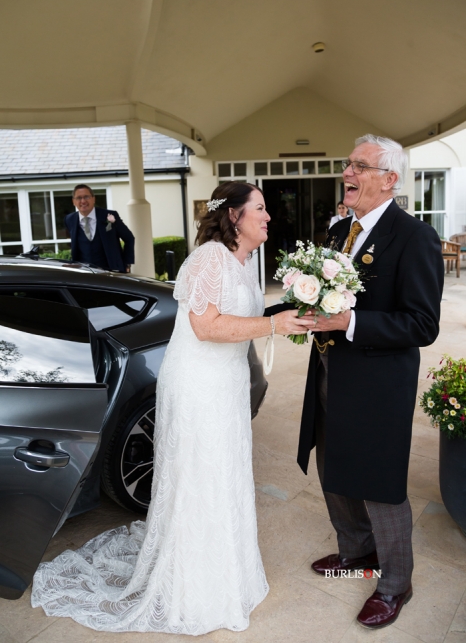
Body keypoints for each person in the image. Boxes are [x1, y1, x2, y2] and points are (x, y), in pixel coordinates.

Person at [31, 182, 309, 635]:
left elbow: (244, 315)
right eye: (260, 208)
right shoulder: (209, 258)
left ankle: (228, 569)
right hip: (199, 385)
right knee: (202, 473)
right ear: (234, 216)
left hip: (227, 382)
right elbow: (205, 327)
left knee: (225, 472)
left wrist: (293, 310)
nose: (268, 216)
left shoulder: (245, 260)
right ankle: (195, 586)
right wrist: (273, 324)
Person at [301, 135, 444, 629]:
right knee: (332, 465)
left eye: (360, 166)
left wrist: (350, 322)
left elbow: (422, 324)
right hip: (329, 373)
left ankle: (396, 583)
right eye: (348, 164)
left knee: (380, 484)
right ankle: (357, 551)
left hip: (378, 385)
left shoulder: (414, 236)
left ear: (389, 180)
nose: (348, 173)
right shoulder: (340, 229)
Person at [65, 184, 135, 272]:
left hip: (111, 270)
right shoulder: (69, 219)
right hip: (84, 272)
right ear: (73, 201)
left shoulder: (110, 215)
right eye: (79, 198)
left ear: (93, 199)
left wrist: (127, 263)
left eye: (86, 197)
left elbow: (129, 238)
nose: (83, 201)